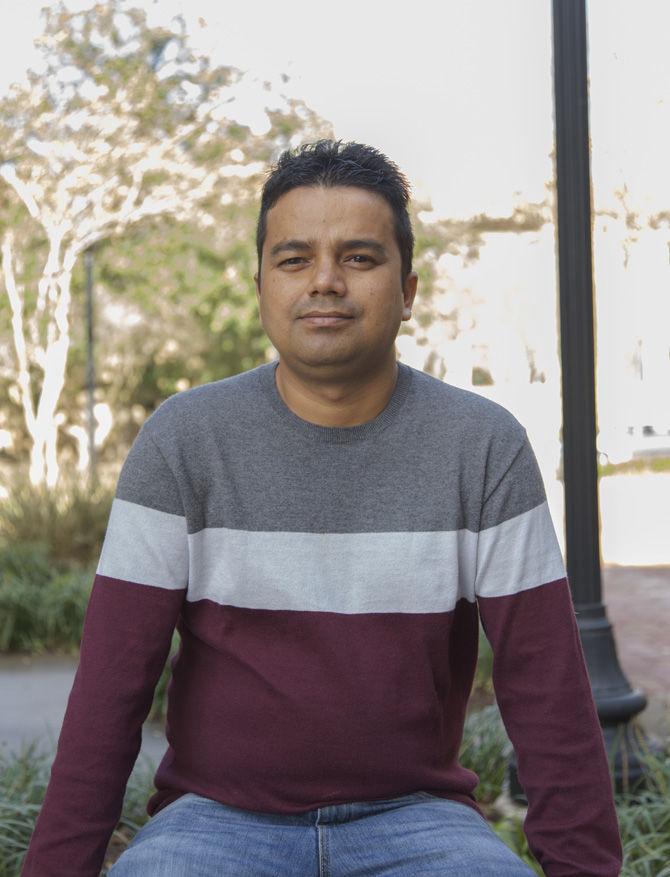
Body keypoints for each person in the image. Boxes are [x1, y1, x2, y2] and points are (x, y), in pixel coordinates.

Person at [21, 140, 623, 877]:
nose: (326, 282)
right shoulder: (184, 440)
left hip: (419, 819)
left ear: (408, 289)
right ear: (261, 284)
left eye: (360, 258)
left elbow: (547, 689)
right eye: (295, 257)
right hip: (213, 821)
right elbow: (112, 685)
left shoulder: (482, 446)